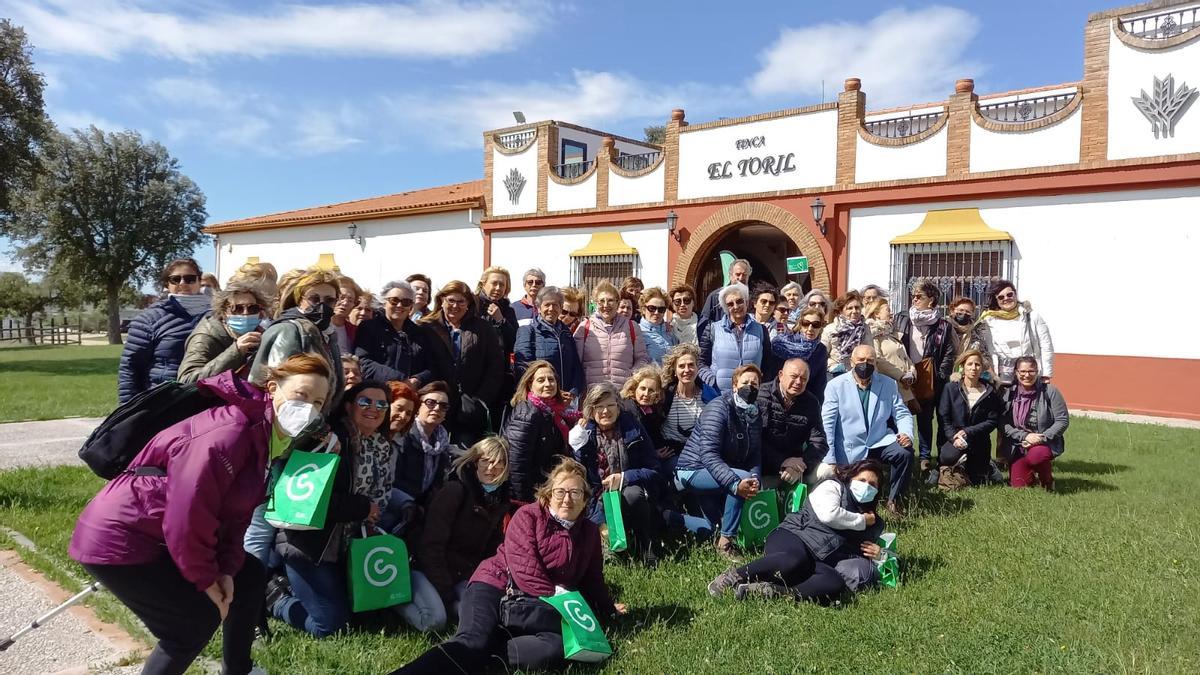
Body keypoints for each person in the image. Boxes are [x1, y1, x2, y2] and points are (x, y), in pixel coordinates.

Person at [71, 354, 332, 675]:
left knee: (247, 573)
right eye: (301, 395)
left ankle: (239, 669)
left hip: (153, 531)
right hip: (118, 538)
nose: (308, 408)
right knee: (190, 626)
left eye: (318, 402)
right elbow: (189, 514)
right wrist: (207, 579)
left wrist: (226, 570)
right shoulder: (231, 432)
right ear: (273, 388)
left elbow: (236, 517)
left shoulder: (266, 437)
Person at [392, 458, 625, 674]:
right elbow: (526, 570)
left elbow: (593, 578)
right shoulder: (528, 516)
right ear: (548, 495)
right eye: (560, 491)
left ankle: (485, 662)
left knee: (556, 646)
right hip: (495, 586)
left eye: (575, 492)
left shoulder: (589, 533)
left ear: (585, 498)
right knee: (472, 641)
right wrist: (561, 601)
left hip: (535, 608)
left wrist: (607, 609)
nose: (567, 499)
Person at [267, 380, 390, 639]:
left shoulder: (379, 446)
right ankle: (274, 597)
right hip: (309, 544)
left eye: (382, 404)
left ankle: (293, 584)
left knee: (365, 616)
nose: (374, 408)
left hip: (345, 546)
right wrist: (363, 507)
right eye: (365, 401)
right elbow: (309, 499)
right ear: (348, 406)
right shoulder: (330, 440)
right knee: (331, 627)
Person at [707, 459, 887, 603]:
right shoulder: (833, 487)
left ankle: (775, 592)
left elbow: (888, 559)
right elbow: (829, 515)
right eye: (861, 480)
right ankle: (734, 576)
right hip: (793, 537)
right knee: (794, 560)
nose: (866, 486)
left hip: (819, 558)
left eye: (873, 484)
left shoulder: (875, 523)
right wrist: (862, 520)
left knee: (834, 582)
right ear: (850, 478)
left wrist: (881, 555)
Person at [411, 437, 512, 631]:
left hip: (461, 574)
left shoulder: (498, 502)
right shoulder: (454, 491)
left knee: (485, 613)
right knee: (434, 621)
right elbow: (431, 546)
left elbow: (492, 553)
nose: (492, 468)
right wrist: (445, 590)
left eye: (500, 463)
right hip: (428, 570)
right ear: (474, 463)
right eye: (486, 461)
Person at [674, 365, 764, 559]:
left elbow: (755, 453)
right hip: (693, 468)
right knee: (742, 481)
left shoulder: (755, 413)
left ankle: (669, 518)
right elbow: (708, 453)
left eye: (754, 384)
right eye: (745, 383)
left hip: (716, 470)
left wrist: (756, 476)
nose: (750, 387)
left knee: (712, 528)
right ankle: (726, 543)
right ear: (734, 386)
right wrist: (734, 482)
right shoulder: (718, 407)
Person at [571, 382, 662, 566]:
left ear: (618, 407)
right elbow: (579, 476)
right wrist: (576, 447)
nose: (605, 411)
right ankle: (613, 544)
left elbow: (654, 469)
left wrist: (624, 477)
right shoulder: (585, 432)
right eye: (599, 407)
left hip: (629, 492)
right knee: (611, 555)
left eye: (610, 405)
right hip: (597, 497)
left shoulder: (633, 429)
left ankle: (646, 545)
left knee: (634, 494)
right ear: (591, 409)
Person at [819, 345, 914, 515]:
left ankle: (894, 500)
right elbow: (828, 424)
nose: (865, 364)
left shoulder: (888, 384)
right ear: (852, 361)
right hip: (849, 449)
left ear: (876, 363)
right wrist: (831, 458)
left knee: (904, 452)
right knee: (849, 500)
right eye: (861, 360)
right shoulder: (835, 386)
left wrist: (906, 433)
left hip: (880, 441)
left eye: (870, 360)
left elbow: (901, 413)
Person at [248, 266, 345, 414]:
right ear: (299, 299)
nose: (322, 305)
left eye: (329, 300)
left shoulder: (327, 334)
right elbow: (282, 391)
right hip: (287, 423)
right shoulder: (289, 330)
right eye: (314, 298)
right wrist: (319, 430)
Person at [421, 280, 505, 445]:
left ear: (468, 304)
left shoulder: (483, 329)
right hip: (434, 404)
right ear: (442, 300)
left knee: (463, 456)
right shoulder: (427, 327)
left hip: (469, 406)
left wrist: (480, 400)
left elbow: (495, 367)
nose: (455, 306)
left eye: (461, 302)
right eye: (450, 300)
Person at [118, 258, 209, 403]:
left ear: (199, 281)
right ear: (167, 284)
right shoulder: (148, 320)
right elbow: (130, 369)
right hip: (165, 403)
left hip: (208, 402)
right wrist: (128, 411)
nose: (183, 283)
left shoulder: (218, 316)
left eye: (190, 279)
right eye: (175, 279)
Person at [894, 281, 958, 472]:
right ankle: (922, 456)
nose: (914, 299)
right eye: (913, 295)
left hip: (935, 377)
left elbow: (949, 351)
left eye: (919, 296)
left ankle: (939, 456)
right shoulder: (903, 319)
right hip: (909, 374)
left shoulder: (943, 325)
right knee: (920, 416)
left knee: (939, 416)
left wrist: (940, 374)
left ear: (931, 300)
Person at [503, 360, 577, 503]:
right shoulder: (527, 413)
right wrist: (524, 501)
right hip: (530, 494)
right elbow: (517, 463)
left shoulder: (554, 411)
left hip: (546, 485)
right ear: (530, 385)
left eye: (551, 379)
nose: (548, 384)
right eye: (541, 380)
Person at [178, 281, 272, 384]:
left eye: (253, 308)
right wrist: (236, 351)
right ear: (224, 312)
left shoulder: (261, 334)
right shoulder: (205, 337)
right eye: (237, 308)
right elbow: (187, 380)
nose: (245, 313)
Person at [758, 359, 828, 491]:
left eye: (803, 379)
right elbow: (754, 440)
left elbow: (819, 442)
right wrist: (781, 462)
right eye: (794, 376)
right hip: (764, 465)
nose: (798, 382)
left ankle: (812, 509)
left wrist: (802, 464)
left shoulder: (811, 403)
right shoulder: (761, 395)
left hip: (797, 467)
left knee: (827, 472)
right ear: (780, 374)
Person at [937, 349, 1003, 485]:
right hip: (955, 438)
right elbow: (944, 417)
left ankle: (988, 467)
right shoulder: (950, 388)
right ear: (962, 366)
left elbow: (992, 421)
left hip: (979, 440)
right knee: (948, 457)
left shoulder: (990, 392)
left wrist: (968, 432)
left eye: (977, 365)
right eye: (970, 364)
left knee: (978, 481)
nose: (974, 368)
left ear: (982, 369)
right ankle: (943, 469)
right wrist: (954, 437)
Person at [1001, 356, 1069, 489]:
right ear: (1016, 372)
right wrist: (1024, 436)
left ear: (1037, 372)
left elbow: (1062, 420)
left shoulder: (1050, 391)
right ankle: (1031, 475)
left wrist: (1041, 438)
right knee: (1019, 486)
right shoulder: (1009, 393)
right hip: (1018, 443)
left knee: (1036, 456)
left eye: (1031, 371)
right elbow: (1002, 423)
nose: (1027, 375)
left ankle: (1047, 480)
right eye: (1023, 371)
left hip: (1044, 441)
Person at [353, 280, 431, 389]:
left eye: (406, 302)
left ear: (411, 306)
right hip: (377, 392)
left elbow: (431, 365)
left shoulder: (420, 333)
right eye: (394, 300)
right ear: (384, 303)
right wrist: (400, 379)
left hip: (409, 395)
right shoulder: (369, 327)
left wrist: (418, 379)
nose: (399, 305)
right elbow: (362, 361)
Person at [390, 381, 453, 516]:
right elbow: (393, 481)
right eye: (431, 403)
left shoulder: (442, 444)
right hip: (395, 505)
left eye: (443, 406)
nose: (437, 409)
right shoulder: (403, 435)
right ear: (418, 407)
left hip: (420, 509)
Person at [513, 285, 584, 400]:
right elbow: (523, 369)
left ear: (560, 308)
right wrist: (552, 392)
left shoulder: (566, 334)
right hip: (540, 399)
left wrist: (573, 392)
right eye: (547, 305)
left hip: (565, 400)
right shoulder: (528, 331)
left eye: (555, 305)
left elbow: (575, 365)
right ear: (539, 308)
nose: (551, 309)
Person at [575, 280, 649, 389]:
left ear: (617, 303)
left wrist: (632, 378)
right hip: (593, 395)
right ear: (595, 303)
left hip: (623, 394)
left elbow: (641, 358)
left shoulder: (631, 327)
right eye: (601, 301)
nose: (605, 305)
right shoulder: (584, 327)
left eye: (610, 301)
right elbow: (576, 363)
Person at [980, 280, 1054, 386]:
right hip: (1002, 376)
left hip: (1028, 374)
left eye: (1009, 294)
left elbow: (1046, 345)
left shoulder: (1032, 316)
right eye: (1001, 297)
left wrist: (1046, 374)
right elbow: (986, 349)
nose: (1006, 298)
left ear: (1015, 294)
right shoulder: (988, 320)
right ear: (996, 300)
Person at [699, 282, 769, 393]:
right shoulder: (712, 329)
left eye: (739, 301)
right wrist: (712, 381)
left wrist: (760, 386)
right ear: (725, 307)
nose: (736, 306)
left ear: (746, 302)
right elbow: (701, 362)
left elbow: (768, 363)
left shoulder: (761, 330)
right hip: (720, 394)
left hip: (752, 395)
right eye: (730, 304)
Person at [660, 344, 719, 473]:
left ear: (697, 368)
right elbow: (652, 425)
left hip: (702, 452)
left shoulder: (710, 395)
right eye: (681, 366)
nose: (687, 370)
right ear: (674, 371)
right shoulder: (665, 396)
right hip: (673, 453)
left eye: (691, 365)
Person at [863, 298, 917, 408]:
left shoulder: (891, 334)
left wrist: (912, 371)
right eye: (888, 310)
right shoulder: (873, 334)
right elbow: (877, 359)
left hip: (903, 389)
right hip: (888, 389)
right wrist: (900, 376)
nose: (891, 313)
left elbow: (905, 357)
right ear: (877, 314)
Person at [772, 307, 829, 403]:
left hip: (806, 401)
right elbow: (773, 374)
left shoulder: (821, 350)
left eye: (815, 325)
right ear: (800, 324)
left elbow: (820, 384)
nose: (810, 328)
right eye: (806, 324)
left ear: (821, 327)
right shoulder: (783, 344)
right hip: (779, 398)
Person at [618, 366, 670, 469]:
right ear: (634, 388)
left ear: (657, 394)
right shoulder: (628, 409)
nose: (646, 394)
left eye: (651, 390)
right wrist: (654, 454)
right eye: (643, 388)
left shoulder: (652, 410)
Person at [475, 266, 519, 367]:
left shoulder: (508, 311)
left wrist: (500, 320)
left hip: (501, 369)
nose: (498, 288)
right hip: (475, 367)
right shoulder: (472, 306)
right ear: (483, 284)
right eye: (494, 283)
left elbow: (515, 342)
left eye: (502, 285)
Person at [820, 291, 869, 377]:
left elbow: (870, 351)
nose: (854, 311)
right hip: (836, 373)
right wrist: (832, 365)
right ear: (841, 311)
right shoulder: (830, 329)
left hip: (860, 373)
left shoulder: (865, 328)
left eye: (857, 307)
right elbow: (821, 355)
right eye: (850, 308)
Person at [702, 258, 752, 323]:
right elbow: (704, 322)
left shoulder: (752, 298)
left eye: (745, 275)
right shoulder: (715, 297)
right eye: (738, 274)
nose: (741, 278)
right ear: (730, 276)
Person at [947, 296, 991, 367]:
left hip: (968, 372)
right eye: (961, 310)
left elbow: (983, 354)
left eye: (967, 311)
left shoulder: (975, 332)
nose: (964, 313)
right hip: (946, 370)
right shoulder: (945, 329)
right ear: (952, 310)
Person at [638, 286, 677, 364]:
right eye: (652, 308)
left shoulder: (670, 332)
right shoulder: (637, 332)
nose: (656, 313)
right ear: (643, 309)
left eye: (661, 309)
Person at [331, 276, 363, 355]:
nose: (345, 303)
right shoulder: (318, 327)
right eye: (341, 298)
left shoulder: (355, 331)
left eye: (350, 300)